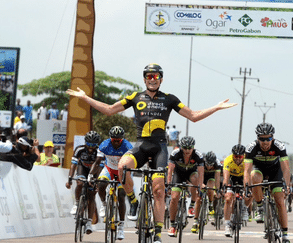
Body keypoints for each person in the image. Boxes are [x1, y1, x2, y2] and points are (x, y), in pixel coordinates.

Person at [66, 63, 236, 243]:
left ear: (161, 79)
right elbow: (109, 110)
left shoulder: (169, 99)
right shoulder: (135, 97)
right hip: (141, 145)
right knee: (123, 167)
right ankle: (133, 201)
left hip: (160, 148)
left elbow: (193, 116)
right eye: (148, 76)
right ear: (144, 78)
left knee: (158, 191)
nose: (152, 79)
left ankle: (157, 232)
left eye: (155, 76)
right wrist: (85, 98)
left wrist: (216, 107)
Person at [244, 123, 291, 243]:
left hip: (275, 171)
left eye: (268, 139)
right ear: (257, 138)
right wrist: (246, 188)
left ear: (273, 138)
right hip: (259, 169)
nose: (265, 142)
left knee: (280, 200)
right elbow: (247, 171)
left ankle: (285, 234)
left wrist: (286, 185)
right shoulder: (251, 148)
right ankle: (260, 207)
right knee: (254, 176)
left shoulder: (279, 146)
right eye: (262, 139)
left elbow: (285, 169)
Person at [89, 126, 132, 240]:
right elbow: (97, 162)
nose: (117, 142)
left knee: (121, 196)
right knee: (101, 184)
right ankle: (104, 204)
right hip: (109, 169)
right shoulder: (104, 145)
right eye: (114, 140)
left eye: (119, 140)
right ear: (110, 139)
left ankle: (121, 227)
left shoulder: (128, 146)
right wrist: (90, 175)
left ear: (122, 139)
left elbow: (132, 163)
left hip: (122, 171)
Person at [65, 131, 104, 235]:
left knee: (91, 197)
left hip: (95, 171)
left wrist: (96, 182)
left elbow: (100, 167)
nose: (91, 147)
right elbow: (73, 165)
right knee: (80, 183)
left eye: (93, 145)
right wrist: (69, 178)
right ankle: (77, 203)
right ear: (85, 142)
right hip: (83, 168)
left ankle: (89, 223)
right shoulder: (79, 149)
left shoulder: (100, 151)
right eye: (89, 144)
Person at [166, 136, 204, 237]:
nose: (187, 150)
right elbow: (170, 170)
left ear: (193, 147)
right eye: (185, 148)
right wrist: (169, 184)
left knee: (195, 179)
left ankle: (191, 205)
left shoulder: (198, 155)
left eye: (189, 148)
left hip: (191, 173)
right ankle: (173, 224)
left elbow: (201, 173)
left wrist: (200, 187)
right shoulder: (175, 153)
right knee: (174, 198)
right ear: (181, 147)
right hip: (179, 174)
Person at [222, 144, 250, 237]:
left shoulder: (247, 160)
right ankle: (227, 224)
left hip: (243, 177)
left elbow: (247, 175)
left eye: (240, 156)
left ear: (243, 156)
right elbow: (226, 177)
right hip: (232, 178)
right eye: (236, 156)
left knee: (252, 190)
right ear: (233, 155)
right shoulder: (228, 160)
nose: (238, 158)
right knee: (228, 199)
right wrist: (225, 187)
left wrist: (247, 188)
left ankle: (245, 208)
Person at [191, 151, 221, 233]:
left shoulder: (217, 164)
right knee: (198, 198)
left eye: (211, 165)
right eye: (207, 164)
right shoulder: (201, 162)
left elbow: (217, 178)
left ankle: (211, 205)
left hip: (211, 177)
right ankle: (195, 221)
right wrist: (200, 185)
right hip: (201, 177)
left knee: (211, 187)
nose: (209, 166)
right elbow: (197, 175)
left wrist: (217, 190)